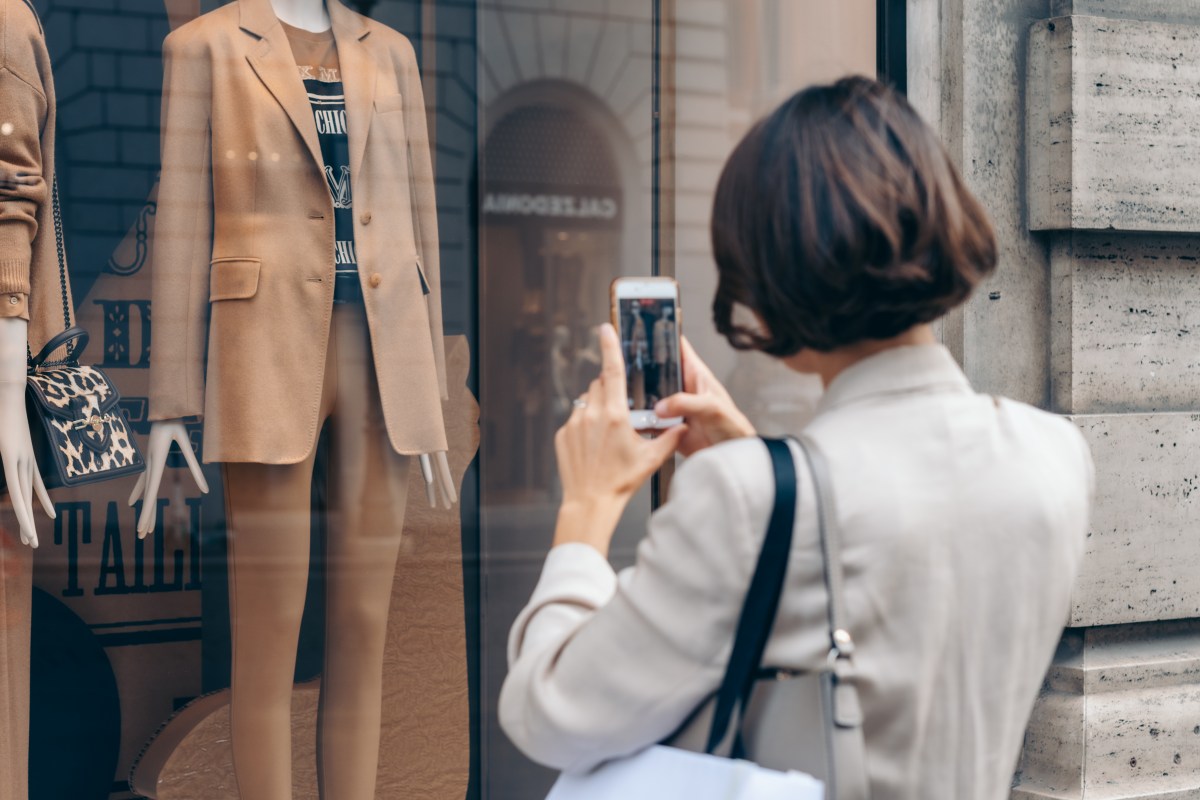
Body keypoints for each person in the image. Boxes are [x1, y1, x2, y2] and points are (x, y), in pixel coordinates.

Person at [498, 76, 1093, 800]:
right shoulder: (1056, 456)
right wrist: (766, 470)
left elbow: (550, 716)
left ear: (769, 282)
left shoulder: (743, 500)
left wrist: (584, 515)